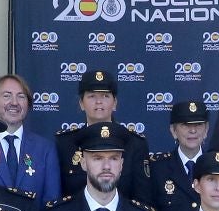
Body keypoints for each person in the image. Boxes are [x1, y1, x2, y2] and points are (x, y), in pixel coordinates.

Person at [56, 69, 151, 200]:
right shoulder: (65, 144)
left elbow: (143, 197)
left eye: (105, 96)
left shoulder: (134, 143)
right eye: (92, 96)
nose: (98, 101)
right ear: (81, 103)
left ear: (115, 103)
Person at [0, 73, 61, 205]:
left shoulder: (45, 149)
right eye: (7, 96)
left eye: (21, 96)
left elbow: (52, 203)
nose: (14, 103)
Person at [133, 99, 210, 211]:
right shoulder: (156, 169)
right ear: (173, 131)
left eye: (198, 125)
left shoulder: (217, 167)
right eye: (185, 125)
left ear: (206, 130)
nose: (193, 131)